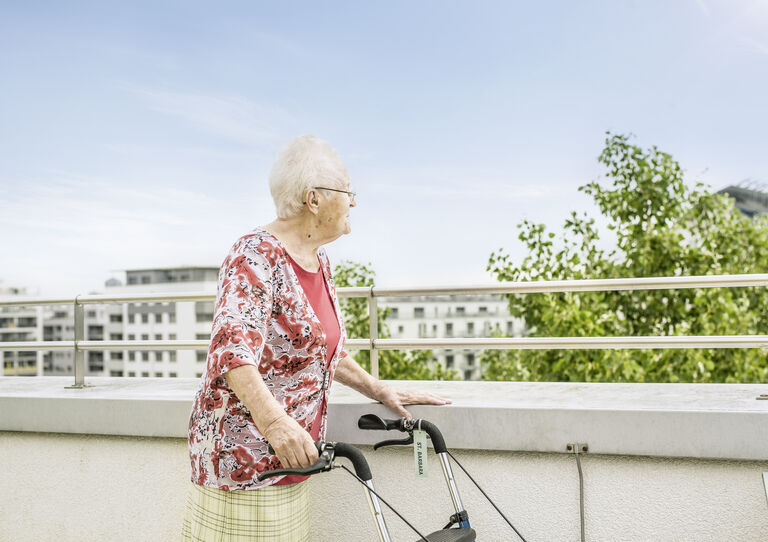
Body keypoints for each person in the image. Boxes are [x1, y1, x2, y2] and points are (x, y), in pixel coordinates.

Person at [181, 135, 450, 542]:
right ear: (314, 199)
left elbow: (322, 352)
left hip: (293, 458)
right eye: (348, 191)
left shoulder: (317, 260)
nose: (355, 202)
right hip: (246, 459)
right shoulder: (254, 255)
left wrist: (377, 388)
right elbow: (232, 353)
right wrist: (275, 424)